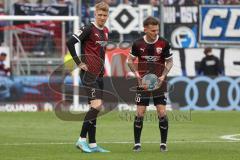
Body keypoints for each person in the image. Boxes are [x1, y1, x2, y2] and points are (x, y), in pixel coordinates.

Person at [66, 1, 110, 153]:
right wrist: (79, 63)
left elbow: (102, 53)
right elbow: (70, 42)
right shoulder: (88, 28)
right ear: (95, 14)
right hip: (88, 75)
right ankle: (81, 140)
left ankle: (93, 144)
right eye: (100, 15)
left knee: (95, 108)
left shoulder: (106, 31)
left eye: (105, 15)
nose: (102, 17)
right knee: (96, 106)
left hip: (99, 75)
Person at [127, 16, 173, 152]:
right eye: (152, 30)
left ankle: (163, 144)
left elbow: (170, 61)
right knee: (140, 113)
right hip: (143, 84)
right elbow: (129, 60)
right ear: (145, 29)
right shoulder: (137, 44)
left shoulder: (164, 43)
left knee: (162, 112)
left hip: (159, 83)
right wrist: (138, 76)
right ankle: (137, 144)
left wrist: (163, 76)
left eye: (157, 30)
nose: (155, 33)